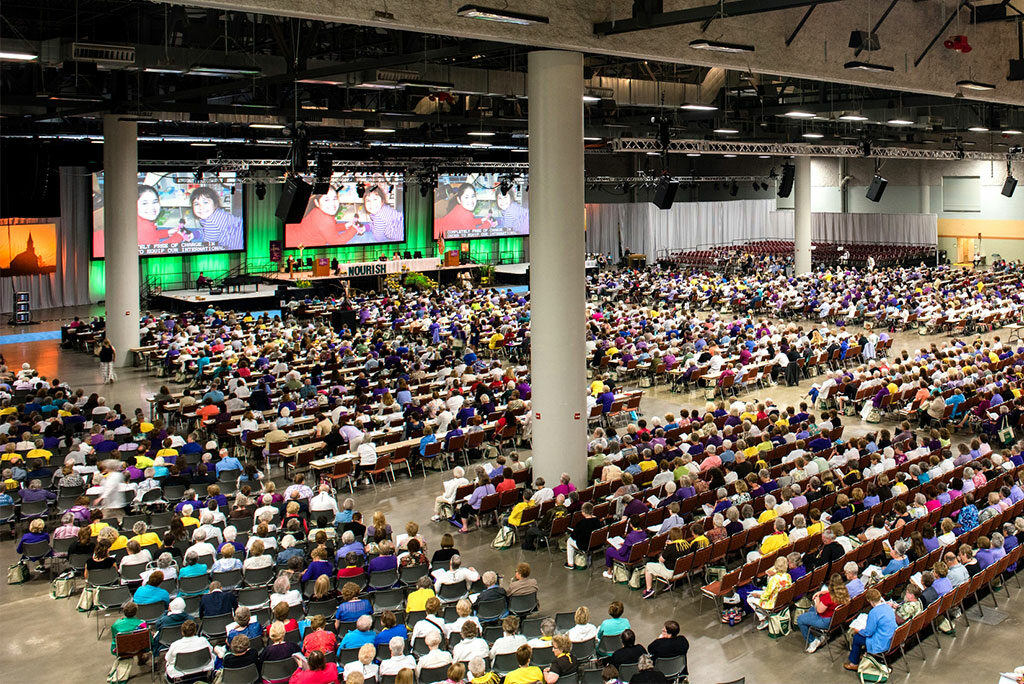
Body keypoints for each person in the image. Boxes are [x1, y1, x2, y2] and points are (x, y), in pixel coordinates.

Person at [844, 588, 896, 671]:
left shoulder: (874, 612)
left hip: (880, 643)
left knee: (857, 638)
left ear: (870, 601)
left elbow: (868, 633)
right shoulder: (888, 607)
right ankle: (864, 654)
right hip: (890, 638)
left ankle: (854, 663)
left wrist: (858, 630)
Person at [798, 573, 849, 653]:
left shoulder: (828, 597)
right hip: (836, 619)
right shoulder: (845, 593)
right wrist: (821, 593)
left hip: (826, 621)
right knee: (811, 609)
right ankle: (820, 633)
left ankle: (813, 641)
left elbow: (819, 610)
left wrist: (817, 599)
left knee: (800, 619)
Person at [746, 557, 792, 630]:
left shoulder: (774, 579)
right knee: (757, 593)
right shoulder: (788, 576)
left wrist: (757, 595)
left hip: (772, 603)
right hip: (782, 600)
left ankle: (763, 619)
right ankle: (764, 617)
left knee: (750, 598)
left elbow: (765, 596)